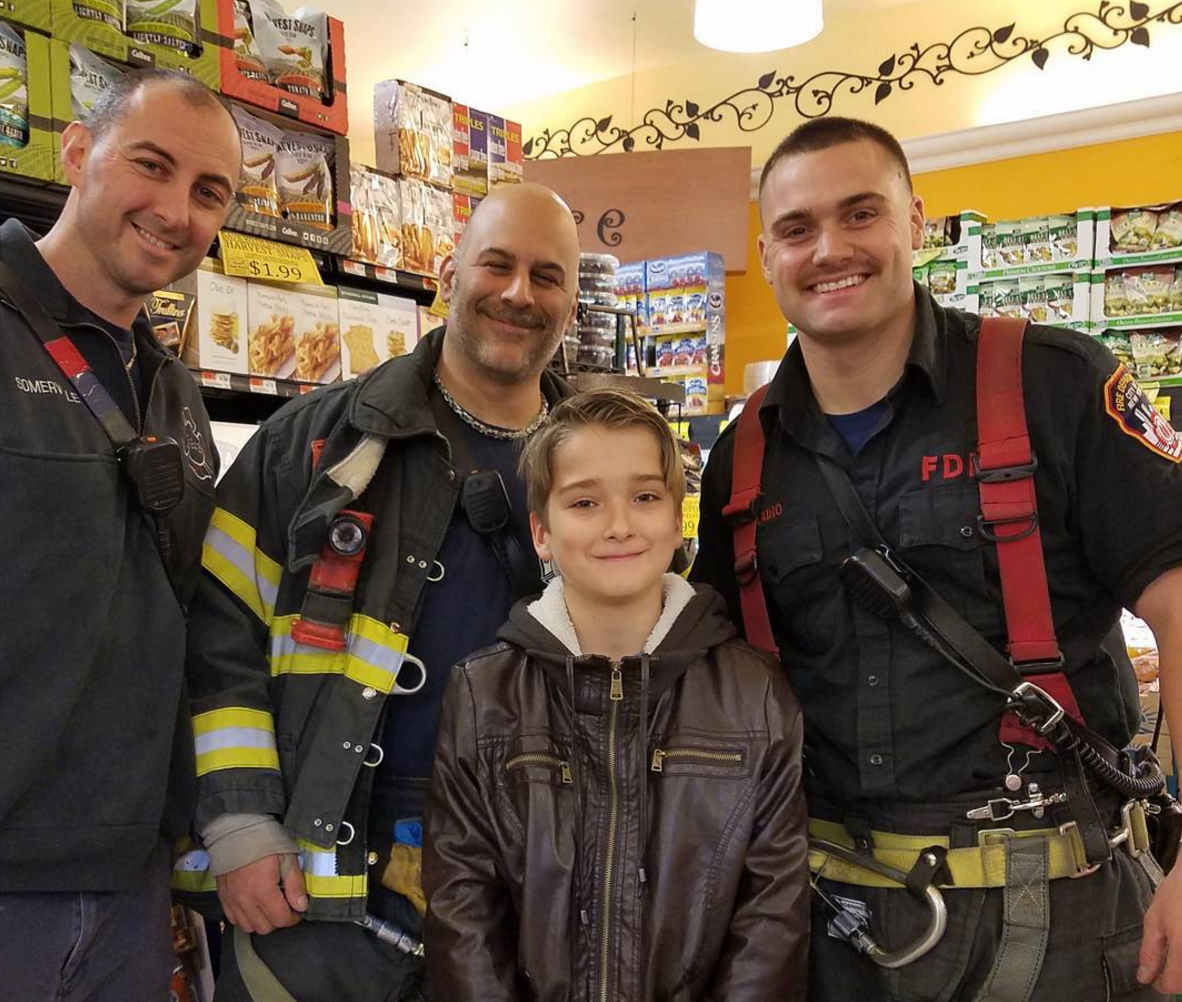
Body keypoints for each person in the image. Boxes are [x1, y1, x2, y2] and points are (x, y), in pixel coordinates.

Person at [691, 115, 1182, 1001]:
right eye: (797, 229)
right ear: (766, 254)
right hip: (827, 925)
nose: (830, 248)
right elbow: (714, 664)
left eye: (861, 214)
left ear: (916, 221)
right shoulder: (743, 453)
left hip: (1060, 917)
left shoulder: (1055, 384)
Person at [184, 182, 581, 1001]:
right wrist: (238, 821)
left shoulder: (602, 467)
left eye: (547, 276)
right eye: (497, 265)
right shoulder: (316, 440)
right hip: (312, 892)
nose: (518, 293)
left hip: (523, 887)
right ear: (447, 273)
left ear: (573, 302)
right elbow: (216, 627)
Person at [422, 387, 810, 1001]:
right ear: (542, 533)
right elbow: (463, 909)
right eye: (584, 502)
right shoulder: (482, 694)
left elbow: (770, 920)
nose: (620, 525)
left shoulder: (753, 696)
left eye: (645, 497)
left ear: (677, 516)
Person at [0, 69, 241, 1000]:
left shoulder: (171, 389)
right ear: (75, 150)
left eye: (208, 192)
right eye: (152, 165)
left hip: (132, 879)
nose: (175, 210)